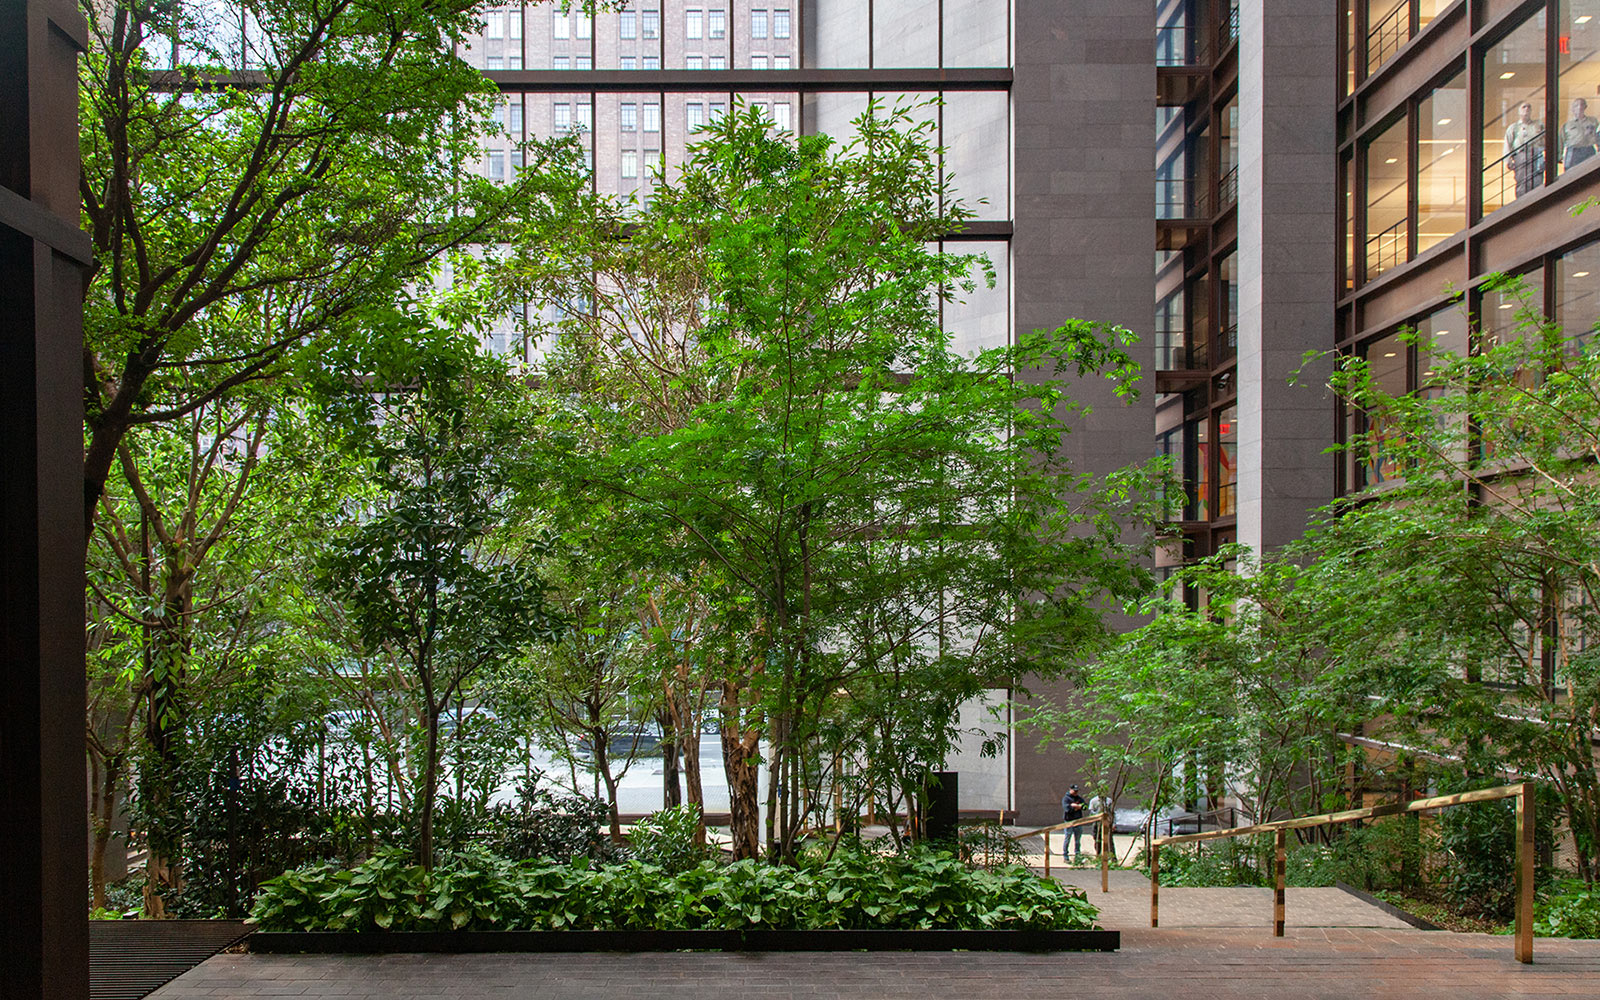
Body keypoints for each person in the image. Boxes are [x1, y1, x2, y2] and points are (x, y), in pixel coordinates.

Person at [1505, 101, 1545, 198]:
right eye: (1524, 107)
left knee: (1537, 180)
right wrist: (1508, 160)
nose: (1526, 109)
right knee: (1522, 181)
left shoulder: (1538, 125)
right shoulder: (1514, 127)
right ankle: (1521, 204)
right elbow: (1508, 144)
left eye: (1529, 107)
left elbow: (1546, 139)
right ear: (1519, 111)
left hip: (1536, 154)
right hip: (1521, 155)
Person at [1561, 97, 1600, 173]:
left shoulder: (1593, 121)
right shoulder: (1567, 125)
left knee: (1590, 173)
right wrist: (1558, 156)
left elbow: (1598, 136)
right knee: (1570, 173)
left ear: (1585, 107)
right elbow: (1560, 141)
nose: (1579, 107)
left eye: (1582, 105)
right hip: (1573, 151)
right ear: (1573, 109)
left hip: (1589, 150)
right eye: (1576, 105)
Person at [1061, 784, 1086, 860]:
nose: (1076, 792)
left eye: (1077, 791)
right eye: (1074, 791)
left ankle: (1077, 855)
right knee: (1067, 838)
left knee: (1077, 840)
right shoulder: (1066, 799)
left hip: (1078, 821)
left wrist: (1076, 806)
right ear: (1070, 789)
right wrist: (1076, 807)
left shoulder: (1079, 798)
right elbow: (1067, 809)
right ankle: (1065, 855)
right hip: (1069, 821)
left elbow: (1085, 806)